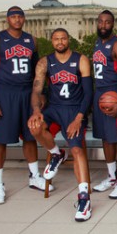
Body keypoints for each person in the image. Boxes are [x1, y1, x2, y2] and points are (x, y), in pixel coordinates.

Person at [0, 6, 50, 205]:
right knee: (1, 140)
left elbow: (38, 70)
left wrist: (41, 93)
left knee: (30, 135)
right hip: (5, 92)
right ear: (7, 19)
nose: (17, 19)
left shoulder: (32, 40)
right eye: (13, 16)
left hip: (27, 92)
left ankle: (34, 176)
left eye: (20, 16)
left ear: (24, 19)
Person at [27, 28, 93, 221]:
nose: (60, 41)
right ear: (52, 41)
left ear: (68, 40)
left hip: (74, 110)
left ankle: (84, 198)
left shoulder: (80, 60)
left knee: (78, 150)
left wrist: (79, 118)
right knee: (34, 126)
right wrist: (37, 111)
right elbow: (36, 90)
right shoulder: (44, 62)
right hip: (54, 108)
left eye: (63, 38)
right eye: (56, 39)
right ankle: (56, 153)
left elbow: (88, 93)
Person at [91, 10, 117, 199]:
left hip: (115, 93)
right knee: (106, 138)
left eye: (107, 22)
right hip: (100, 93)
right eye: (100, 22)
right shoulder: (98, 43)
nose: (103, 25)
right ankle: (111, 177)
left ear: (112, 24)